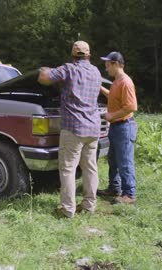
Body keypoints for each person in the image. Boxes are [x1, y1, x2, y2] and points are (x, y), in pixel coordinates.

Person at [37, 41, 102, 218]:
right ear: (89, 55)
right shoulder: (96, 71)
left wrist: (45, 70)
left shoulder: (68, 69)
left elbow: (43, 78)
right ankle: (89, 206)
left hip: (73, 127)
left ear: (73, 54)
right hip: (93, 127)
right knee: (90, 168)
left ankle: (67, 209)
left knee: (67, 168)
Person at [97, 51, 138, 204]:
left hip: (124, 127)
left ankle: (130, 195)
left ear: (115, 64)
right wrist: (101, 88)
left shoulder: (125, 82)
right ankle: (114, 188)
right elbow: (114, 97)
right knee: (113, 160)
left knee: (125, 162)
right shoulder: (116, 81)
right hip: (116, 127)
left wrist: (111, 116)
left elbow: (131, 106)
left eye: (107, 64)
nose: (106, 67)